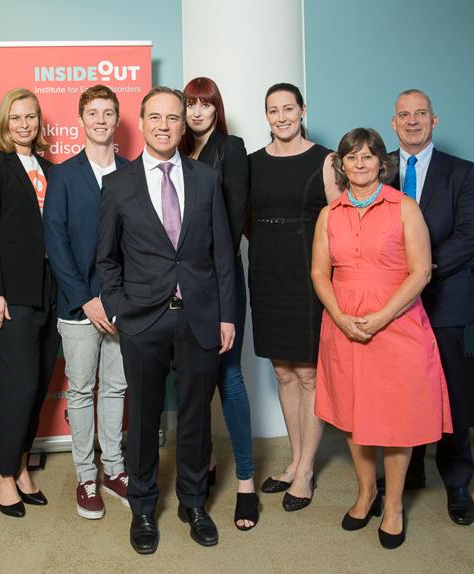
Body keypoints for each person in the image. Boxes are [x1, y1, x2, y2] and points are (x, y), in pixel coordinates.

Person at [97, 86, 235, 554]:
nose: (164, 125)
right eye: (155, 117)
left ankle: (193, 503)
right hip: (142, 320)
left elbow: (223, 255)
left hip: (199, 318)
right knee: (143, 420)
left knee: (196, 419)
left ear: (183, 124)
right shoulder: (118, 185)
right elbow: (106, 260)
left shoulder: (206, 178)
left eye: (173, 118)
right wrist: (118, 308)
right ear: (142, 121)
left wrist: (227, 315)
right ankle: (142, 508)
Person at [311, 127, 453, 549]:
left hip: (397, 324)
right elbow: (320, 272)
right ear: (341, 164)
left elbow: (421, 271)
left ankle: (393, 505)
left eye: (368, 157)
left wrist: (380, 317)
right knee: (355, 416)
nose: (359, 164)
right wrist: (339, 315)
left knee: (396, 419)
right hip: (342, 325)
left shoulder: (405, 208)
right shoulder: (329, 213)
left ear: (381, 163)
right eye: (351, 157)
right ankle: (366, 492)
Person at [388, 89, 474, 525]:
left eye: (420, 114)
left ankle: (457, 479)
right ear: (393, 123)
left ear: (434, 120)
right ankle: (407, 472)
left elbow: (468, 235)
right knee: (400, 390)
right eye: (404, 115)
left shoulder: (462, 172)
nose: (412, 121)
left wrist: (421, 273)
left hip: (443, 296)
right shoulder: (378, 167)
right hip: (391, 301)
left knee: (450, 392)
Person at [247, 83, 337, 511]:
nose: (281, 116)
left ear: (303, 109)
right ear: (265, 115)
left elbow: (339, 223)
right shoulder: (251, 163)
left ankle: (305, 470)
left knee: (308, 375)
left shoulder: (326, 160)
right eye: (273, 110)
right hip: (266, 273)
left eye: (288, 108)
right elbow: (245, 219)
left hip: (306, 275)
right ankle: (295, 461)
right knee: (282, 373)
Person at [43, 85, 129, 520]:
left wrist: (118, 301)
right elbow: (54, 243)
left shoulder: (132, 172)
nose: (100, 119)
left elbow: (140, 243)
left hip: (122, 305)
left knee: (116, 387)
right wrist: (85, 299)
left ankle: (114, 469)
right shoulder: (63, 175)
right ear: (81, 120)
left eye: (107, 112)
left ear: (117, 120)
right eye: (92, 112)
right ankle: (86, 476)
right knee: (80, 391)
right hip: (78, 308)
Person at [0, 88, 57, 519]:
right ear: (5, 122)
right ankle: (3, 473)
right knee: (19, 386)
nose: (24, 124)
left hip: (48, 292)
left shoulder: (48, 168)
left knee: (38, 384)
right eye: (17, 117)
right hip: (9, 295)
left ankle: (22, 465)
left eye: (31, 117)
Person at [180, 77, 256, 530]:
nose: (196, 112)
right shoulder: (177, 151)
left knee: (228, 378)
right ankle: (205, 463)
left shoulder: (232, 148)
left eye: (204, 104)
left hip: (219, 280)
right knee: (193, 383)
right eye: (189, 103)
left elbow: (229, 224)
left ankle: (245, 482)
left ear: (216, 109)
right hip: (182, 287)